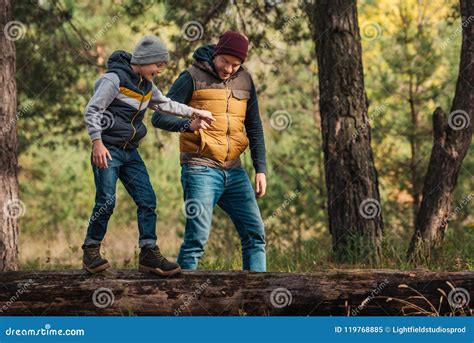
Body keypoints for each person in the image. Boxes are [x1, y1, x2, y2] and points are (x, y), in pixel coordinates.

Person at [82, 35, 213, 276]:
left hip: (130, 152)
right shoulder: (114, 80)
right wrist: (97, 143)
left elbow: (167, 104)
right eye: (158, 65)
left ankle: (148, 253)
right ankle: (91, 251)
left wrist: (194, 112)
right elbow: (92, 110)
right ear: (144, 60)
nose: (160, 70)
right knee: (106, 201)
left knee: (147, 199)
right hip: (108, 150)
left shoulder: (146, 86)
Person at [152, 32, 267, 272]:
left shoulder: (245, 80)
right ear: (216, 53)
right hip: (200, 168)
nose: (229, 69)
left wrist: (260, 169)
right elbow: (158, 116)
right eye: (225, 61)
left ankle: (257, 301)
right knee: (197, 241)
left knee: (255, 236)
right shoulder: (191, 77)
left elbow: (254, 126)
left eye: (236, 65)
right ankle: (182, 302)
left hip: (235, 171)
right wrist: (187, 123)